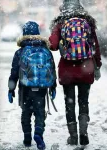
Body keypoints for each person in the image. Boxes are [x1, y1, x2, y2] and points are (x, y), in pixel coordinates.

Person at [49, 0, 102, 146]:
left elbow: (52, 45)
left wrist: (57, 39)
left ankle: (73, 137)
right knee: (84, 101)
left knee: (69, 103)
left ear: (63, 8)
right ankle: (84, 133)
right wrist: (97, 65)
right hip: (86, 68)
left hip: (67, 71)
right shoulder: (87, 22)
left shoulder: (60, 23)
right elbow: (96, 47)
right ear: (80, 7)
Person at [8, 21, 56, 150]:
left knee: (26, 113)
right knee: (40, 113)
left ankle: (27, 137)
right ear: (38, 33)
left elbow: (14, 72)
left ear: (24, 33)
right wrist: (53, 87)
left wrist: (11, 89)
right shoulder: (45, 50)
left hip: (25, 88)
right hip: (41, 88)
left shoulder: (20, 52)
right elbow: (51, 69)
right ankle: (38, 133)